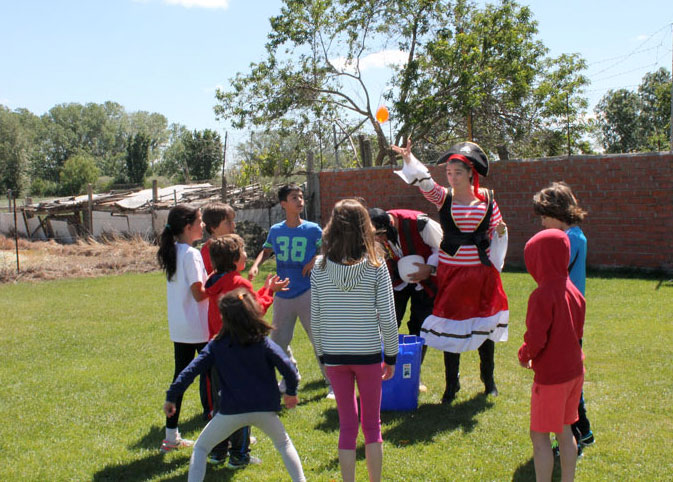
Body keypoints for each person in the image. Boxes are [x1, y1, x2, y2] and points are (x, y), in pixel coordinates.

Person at [392, 139, 509, 404]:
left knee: (485, 325)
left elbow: (496, 229)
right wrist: (409, 159)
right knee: (450, 329)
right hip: (452, 274)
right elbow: (424, 183)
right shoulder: (444, 197)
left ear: (471, 173)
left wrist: (501, 231)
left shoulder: (488, 198)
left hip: (481, 273)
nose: (452, 177)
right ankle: (451, 385)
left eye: (458, 172)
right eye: (449, 173)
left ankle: (488, 380)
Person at [163, 288, 306, 482]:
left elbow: (190, 370)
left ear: (224, 317)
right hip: (264, 409)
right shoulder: (262, 342)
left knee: (201, 448)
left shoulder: (217, 345)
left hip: (231, 411)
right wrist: (291, 392)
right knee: (284, 444)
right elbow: (288, 368)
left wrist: (172, 395)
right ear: (253, 313)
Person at [310, 199, 398, 482]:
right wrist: (393, 356)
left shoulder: (320, 267)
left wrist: (322, 357)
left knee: (347, 426)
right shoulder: (376, 265)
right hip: (367, 354)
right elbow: (388, 316)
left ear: (333, 227)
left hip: (334, 355)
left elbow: (316, 319)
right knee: (372, 426)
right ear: (365, 227)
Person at [202, 234, 290, 467]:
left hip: (218, 349)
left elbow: (245, 303)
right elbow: (253, 311)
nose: (246, 255)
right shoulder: (238, 283)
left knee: (222, 405)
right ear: (234, 259)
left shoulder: (213, 280)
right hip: (240, 351)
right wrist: (269, 292)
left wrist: (265, 289)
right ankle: (240, 456)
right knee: (242, 404)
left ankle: (217, 452)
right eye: (242, 252)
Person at [248, 183, 332, 397]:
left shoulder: (313, 229)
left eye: (301, 197)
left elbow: (327, 247)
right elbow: (266, 251)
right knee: (278, 342)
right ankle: (290, 374)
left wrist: (315, 259)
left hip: (307, 292)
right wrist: (256, 264)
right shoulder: (276, 230)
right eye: (294, 197)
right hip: (282, 294)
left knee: (319, 338)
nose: (300, 201)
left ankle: (333, 383)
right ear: (283, 203)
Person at [518, 229, 586, 482]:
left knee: (539, 436)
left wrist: (525, 355)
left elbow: (536, 339)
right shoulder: (575, 292)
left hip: (552, 379)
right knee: (566, 430)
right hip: (574, 372)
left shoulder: (542, 296)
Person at [533, 181, 594, 449]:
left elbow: (550, 272)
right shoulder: (575, 235)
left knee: (565, 379)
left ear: (558, 213)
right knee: (571, 374)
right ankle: (584, 431)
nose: (542, 224)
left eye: (545, 217)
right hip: (569, 315)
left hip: (564, 318)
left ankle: (575, 435)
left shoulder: (568, 240)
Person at [368, 207, 442, 390]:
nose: (377, 240)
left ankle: (413, 375)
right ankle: (378, 374)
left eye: (380, 235)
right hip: (396, 281)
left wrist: (430, 269)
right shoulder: (375, 232)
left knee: (420, 327)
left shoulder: (420, 224)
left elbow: (445, 247)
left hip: (427, 279)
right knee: (387, 323)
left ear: (390, 225)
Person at [156, 204, 210, 452]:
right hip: (198, 328)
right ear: (188, 227)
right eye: (200, 221)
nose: (204, 226)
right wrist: (222, 281)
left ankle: (170, 437)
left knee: (180, 381)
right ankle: (227, 438)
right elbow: (199, 294)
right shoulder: (191, 254)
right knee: (216, 378)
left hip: (180, 328)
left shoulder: (173, 251)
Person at [200, 202, 236, 275]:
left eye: (233, 221)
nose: (234, 225)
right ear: (213, 227)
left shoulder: (231, 246)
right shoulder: (209, 250)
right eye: (228, 222)